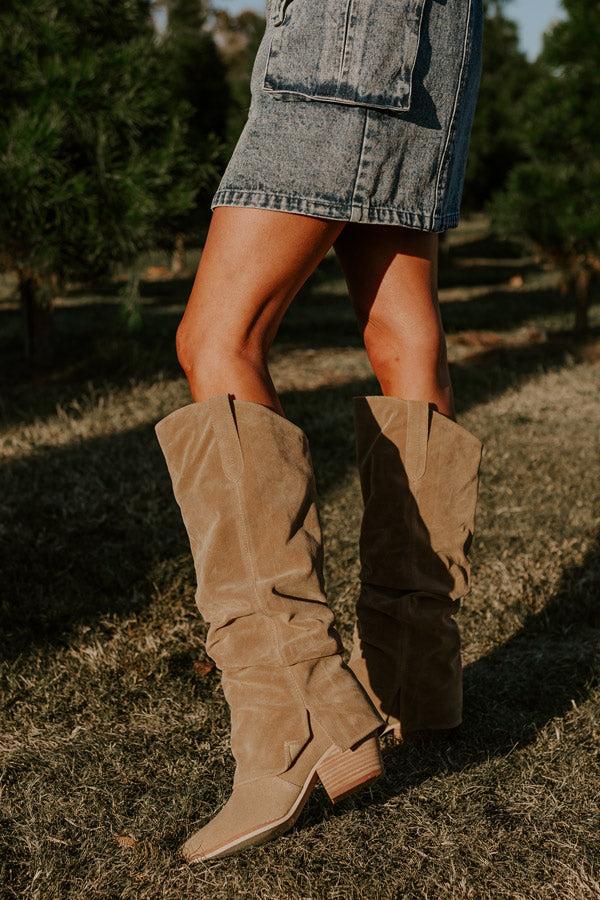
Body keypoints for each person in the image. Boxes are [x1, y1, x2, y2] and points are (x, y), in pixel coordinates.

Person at [156, 0, 484, 863]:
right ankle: (417, 678)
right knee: (402, 334)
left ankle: (296, 719)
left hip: (344, 35)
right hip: (431, 37)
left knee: (217, 339)